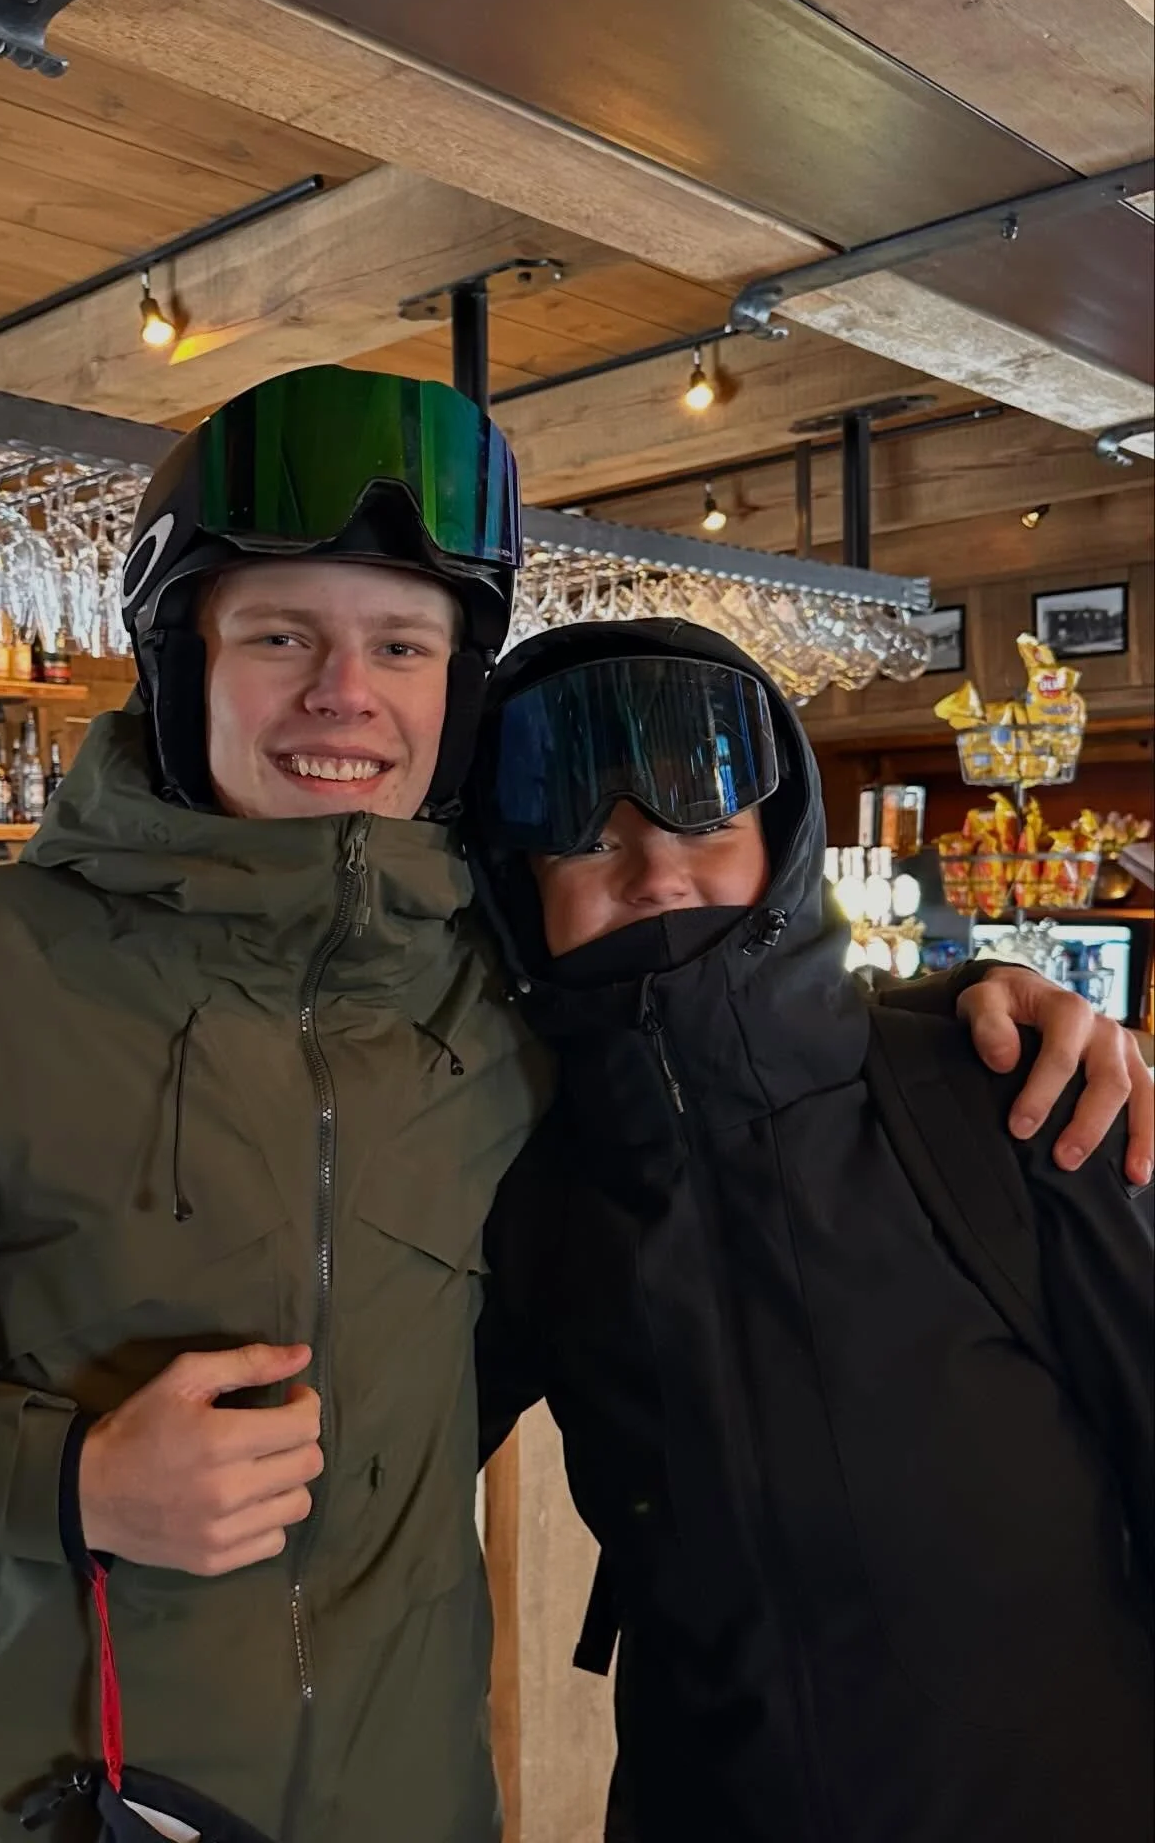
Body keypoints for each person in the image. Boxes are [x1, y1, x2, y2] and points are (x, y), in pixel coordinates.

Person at [0, 369, 1135, 1843]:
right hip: (42, 1799)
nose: (345, 692)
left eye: (400, 643)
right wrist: (70, 1480)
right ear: (180, 658)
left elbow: (713, 1044)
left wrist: (959, 1014)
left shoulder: (492, 990)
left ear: (450, 696)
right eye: (281, 636)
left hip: (406, 1800)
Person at [471, 618, 1154, 1843]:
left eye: (704, 825)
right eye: (590, 843)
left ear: (781, 844)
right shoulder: (533, 1190)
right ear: (517, 889)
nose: (657, 877)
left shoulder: (1008, 1095)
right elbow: (361, 1458)